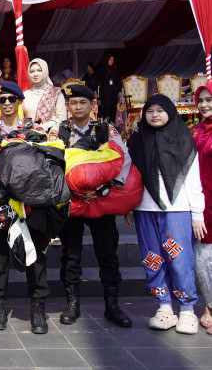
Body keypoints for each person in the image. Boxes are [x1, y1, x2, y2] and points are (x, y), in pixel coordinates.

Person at [0, 81, 53, 334]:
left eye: (12, 99)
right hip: (1, 201)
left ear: (20, 101)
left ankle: (38, 309)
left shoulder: (35, 129)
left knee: (36, 256)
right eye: (2, 100)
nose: (7, 104)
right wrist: (5, 192)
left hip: (32, 202)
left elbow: (43, 163)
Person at [126, 94, 204, 334]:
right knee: (152, 258)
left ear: (170, 112)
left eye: (160, 110)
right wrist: (128, 206)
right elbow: (129, 177)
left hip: (177, 209)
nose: (155, 115)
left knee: (180, 259)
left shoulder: (184, 140)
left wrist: (197, 213)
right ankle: (164, 307)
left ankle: (188, 309)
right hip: (145, 209)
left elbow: (192, 178)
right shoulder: (137, 141)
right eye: (150, 111)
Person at [56, 84, 133, 328]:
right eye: (73, 103)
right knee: (71, 253)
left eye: (82, 103)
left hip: (101, 199)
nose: (78, 107)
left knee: (107, 251)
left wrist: (103, 188)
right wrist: (72, 188)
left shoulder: (106, 129)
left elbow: (123, 157)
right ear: (67, 106)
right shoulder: (58, 131)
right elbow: (52, 163)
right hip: (72, 199)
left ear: (92, 105)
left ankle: (112, 304)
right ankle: (72, 303)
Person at [192, 84, 212, 335]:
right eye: (202, 101)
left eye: (209, 100)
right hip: (200, 202)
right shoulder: (195, 131)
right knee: (202, 257)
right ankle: (208, 306)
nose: (205, 105)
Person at [22, 58, 67, 134]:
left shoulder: (56, 93)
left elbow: (62, 118)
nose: (35, 74)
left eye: (39, 70)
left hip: (52, 137)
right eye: (32, 71)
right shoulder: (24, 95)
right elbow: (20, 118)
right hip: (29, 136)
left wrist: (42, 127)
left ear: (45, 71)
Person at [96, 54, 122, 123]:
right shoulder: (101, 69)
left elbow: (118, 81)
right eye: (110, 59)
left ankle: (112, 124)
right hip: (105, 92)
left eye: (112, 60)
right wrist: (95, 91)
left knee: (113, 108)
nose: (112, 61)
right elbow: (96, 80)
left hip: (114, 92)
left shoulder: (114, 69)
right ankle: (105, 123)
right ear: (106, 60)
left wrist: (119, 91)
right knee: (107, 107)